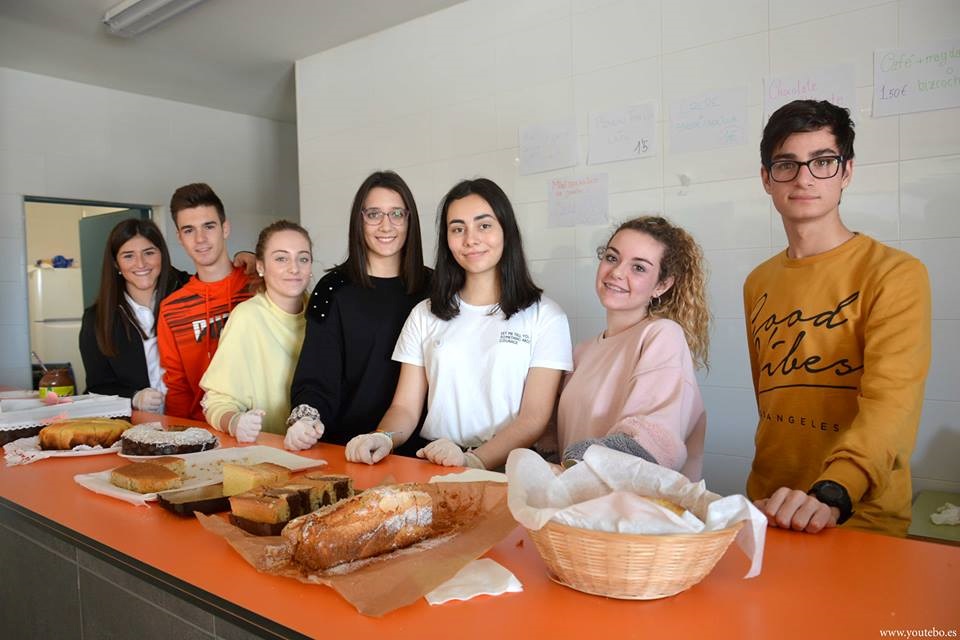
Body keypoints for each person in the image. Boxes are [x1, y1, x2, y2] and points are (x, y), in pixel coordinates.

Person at [744, 99, 931, 537]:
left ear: (846, 171)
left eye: (822, 162)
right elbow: (770, 399)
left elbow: (892, 404)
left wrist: (834, 491)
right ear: (767, 179)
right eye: (786, 164)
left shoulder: (895, 274)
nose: (804, 177)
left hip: (855, 511)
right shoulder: (758, 281)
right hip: (770, 504)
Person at [344, 178, 573, 470]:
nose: (470, 239)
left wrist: (473, 461)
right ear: (447, 240)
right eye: (457, 228)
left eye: (484, 225)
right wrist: (384, 437)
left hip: (505, 471)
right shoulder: (425, 314)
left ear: (506, 231)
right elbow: (405, 408)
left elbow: (534, 418)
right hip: (434, 462)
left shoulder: (546, 317)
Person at [287, 171, 431, 454]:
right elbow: (316, 375)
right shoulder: (332, 290)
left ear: (409, 220)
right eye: (374, 214)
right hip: (348, 448)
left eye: (396, 214)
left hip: (421, 453)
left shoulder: (435, 289)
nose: (386, 225)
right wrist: (306, 420)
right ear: (359, 220)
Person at [556, 217, 709, 481]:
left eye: (638, 267)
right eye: (612, 258)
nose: (616, 272)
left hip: (633, 505)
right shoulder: (582, 352)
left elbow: (652, 445)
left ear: (661, 285)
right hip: (574, 499)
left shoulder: (662, 335)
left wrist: (570, 466)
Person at [200, 220, 312, 446]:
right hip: (271, 453)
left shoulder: (323, 314)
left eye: (303, 258)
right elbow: (216, 402)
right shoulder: (247, 318)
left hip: (325, 449)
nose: (294, 268)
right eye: (281, 258)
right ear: (260, 266)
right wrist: (235, 422)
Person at [157, 183, 256, 422]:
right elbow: (178, 387)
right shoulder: (172, 310)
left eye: (208, 226)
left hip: (265, 425)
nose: (200, 239)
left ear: (225, 228)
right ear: (180, 238)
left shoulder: (260, 286)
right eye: (189, 230)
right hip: (204, 431)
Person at [79, 218, 189, 412]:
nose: (141, 263)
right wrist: (134, 397)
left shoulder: (188, 293)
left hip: (195, 419)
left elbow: (219, 276)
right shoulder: (97, 319)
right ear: (116, 263)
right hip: (139, 425)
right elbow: (97, 388)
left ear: (162, 255)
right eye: (128, 256)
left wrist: (243, 257)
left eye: (149, 253)